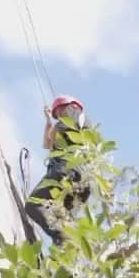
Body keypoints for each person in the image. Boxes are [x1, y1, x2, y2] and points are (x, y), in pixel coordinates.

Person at [24, 97, 91, 247]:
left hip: (68, 170)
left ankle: (62, 238)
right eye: (57, 114)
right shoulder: (70, 125)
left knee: (34, 205)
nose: (59, 115)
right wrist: (48, 122)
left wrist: (53, 126)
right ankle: (65, 248)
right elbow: (47, 144)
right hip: (82, 182)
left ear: (68, 106)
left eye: (59, 111)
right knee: (64, 221)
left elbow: (51, 139)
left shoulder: (75, 112)